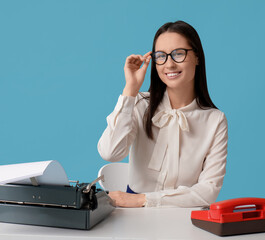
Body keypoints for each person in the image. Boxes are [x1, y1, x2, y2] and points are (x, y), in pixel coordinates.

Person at [98, 20, 228, 208]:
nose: (169, 64)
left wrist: (144, 200)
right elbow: (110, 152)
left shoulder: (215, 120)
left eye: (178, 54)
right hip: (133, 219)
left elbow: (208, 192)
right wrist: (130, 91)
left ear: (197, 57)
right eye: (161, 56)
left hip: (184, 218)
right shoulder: (140, 104)